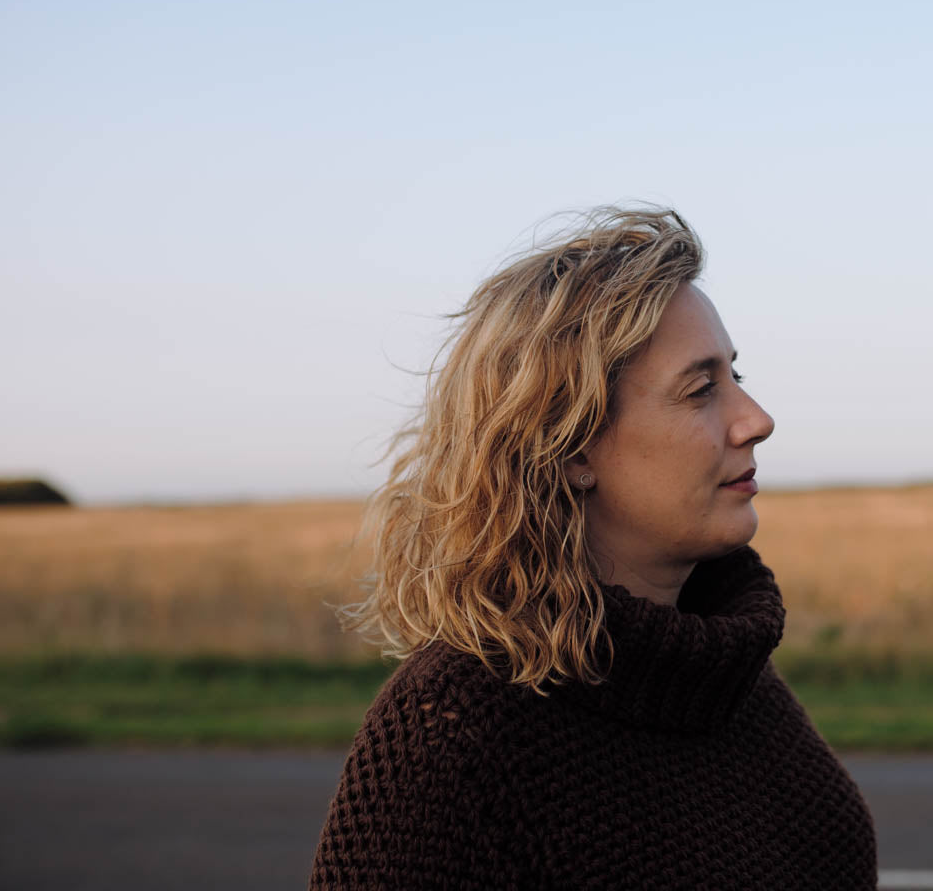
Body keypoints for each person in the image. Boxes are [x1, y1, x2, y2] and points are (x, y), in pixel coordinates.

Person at [309, 206, 878, 890]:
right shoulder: (455, 735)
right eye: (701, 389)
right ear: (571, 443)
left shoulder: (726, 680)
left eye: (736, 377)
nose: (756, 420)